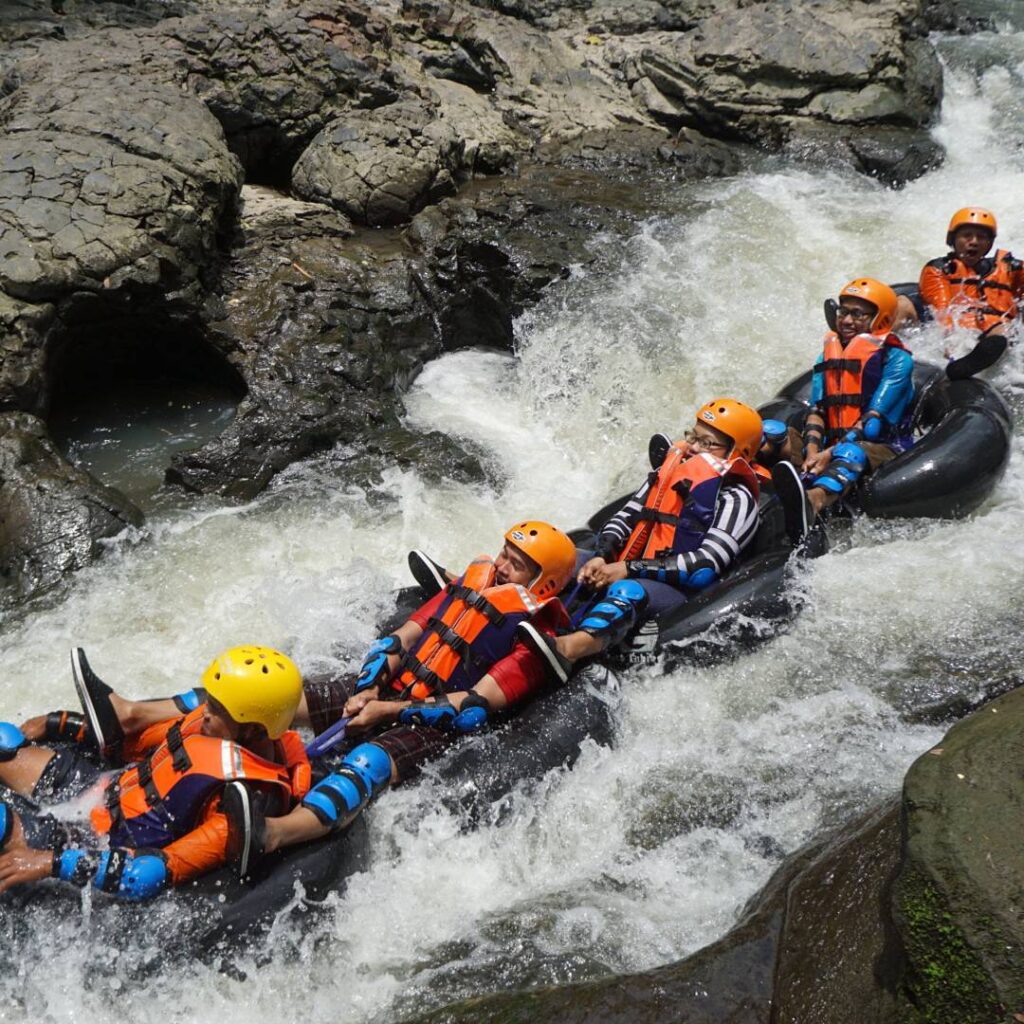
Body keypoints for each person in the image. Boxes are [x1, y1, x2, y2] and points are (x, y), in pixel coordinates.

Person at [44, 524, 581, 875]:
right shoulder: (477, 580)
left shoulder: (530, 639)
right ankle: (131, 716)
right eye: (506, 552)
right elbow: (406, 636)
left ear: (547, 583)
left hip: (428, 720)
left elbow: (472, 707)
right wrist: (372, 679)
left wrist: (387, 710)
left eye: (519, 563)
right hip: (392, 687)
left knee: (368, 762)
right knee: (264, 692)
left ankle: (273, 834)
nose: (504, 565)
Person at [0, 645, 307, 899]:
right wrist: (64, 724)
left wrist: (51, 862)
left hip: (94, 841)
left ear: (253, 729)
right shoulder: (212, 724)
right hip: (101, 790)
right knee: (4, 743)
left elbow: (148, 874)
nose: (205, 712)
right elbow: (131, 746)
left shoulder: (239, 804)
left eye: (218, 709)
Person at [516, 399, 764, 684]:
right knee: (563, 557)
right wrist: (602, 556)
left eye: (707, 443)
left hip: (678, 592)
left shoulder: (737, 498)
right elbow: (625, 516)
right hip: (630, 566)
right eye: (693, 436)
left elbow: (705, 565)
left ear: (737, 452)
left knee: (627, 590)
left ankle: (568, 649)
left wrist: (627, 568)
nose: (694, 448)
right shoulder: (670, 470)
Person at [763, 277, 915, 541]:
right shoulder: (828, 355)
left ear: (880, 319)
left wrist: (828, 454)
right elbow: (818, 411)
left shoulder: (897, 361)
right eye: (843, 311)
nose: (846, 320)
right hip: (828, 444)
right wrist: (812, 452)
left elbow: (872, 424)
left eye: (857, 314)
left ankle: (813, 502)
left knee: (849, 451)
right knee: (771, 433)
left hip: (882, 447)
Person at [919, 207, 1023, 379]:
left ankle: (978, 359)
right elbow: (942, 309)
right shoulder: (939, 269)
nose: (974, 242)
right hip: (963, 328)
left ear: (989, 243)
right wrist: (949, 342)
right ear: (953, 240)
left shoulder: (1010, 269)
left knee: (1005, 331)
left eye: (981, 237)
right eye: (967, 235)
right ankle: (961, 367)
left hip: (997, 330)